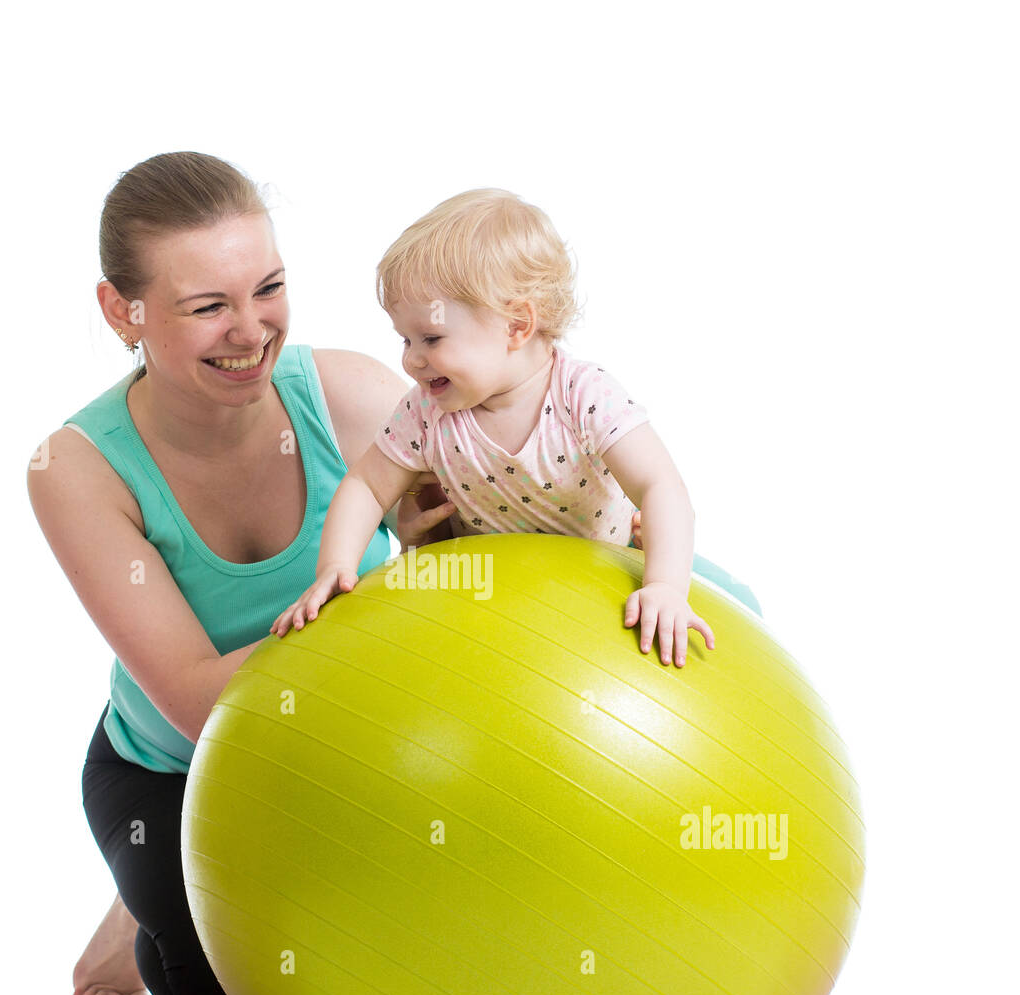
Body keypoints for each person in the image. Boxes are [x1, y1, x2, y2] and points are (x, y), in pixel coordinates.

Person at [26, 152, 461, 995]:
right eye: (208, 306)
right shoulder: (73, 467)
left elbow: (478, 564)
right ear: (124, 312)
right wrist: (386, 612)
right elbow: (194, 698)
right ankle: (136, 909)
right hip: (175, 771)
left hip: (349, 748)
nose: (250, 329)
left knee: (406, 965)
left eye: (267, 288)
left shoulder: (348, 397)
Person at [271, 189, 715, 669]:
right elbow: (365, 486)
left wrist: (665, 587)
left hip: (599, 593)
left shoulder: (583, 395)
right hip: (493, 604)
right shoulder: (426, 412)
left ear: (516, 325)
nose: (411, 359)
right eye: (405, 339)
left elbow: (660, 485)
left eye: (432, 338)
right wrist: (335, 565)